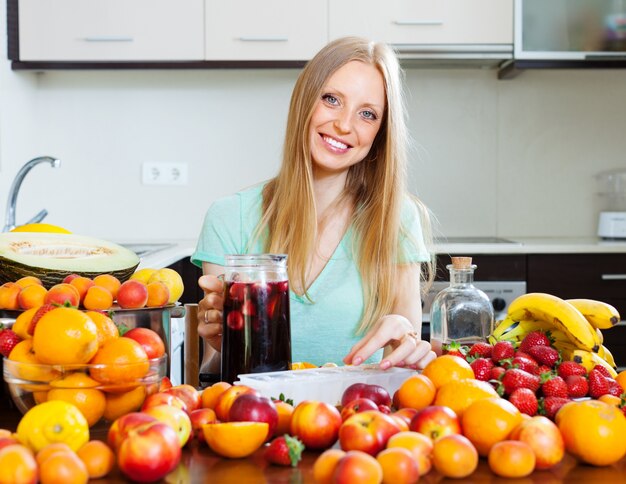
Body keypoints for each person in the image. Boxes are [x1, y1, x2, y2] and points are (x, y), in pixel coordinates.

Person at [191, 36, 436, 372]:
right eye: (332, 99)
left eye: (367, 113)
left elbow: (406, 364)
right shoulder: (229, 218)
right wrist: (222, 345)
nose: (344, 125)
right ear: (305, 101)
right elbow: (215, 370)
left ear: (380, 132)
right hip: (263, 421)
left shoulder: (397, 218)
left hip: (364, 419)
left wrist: (407, 346)